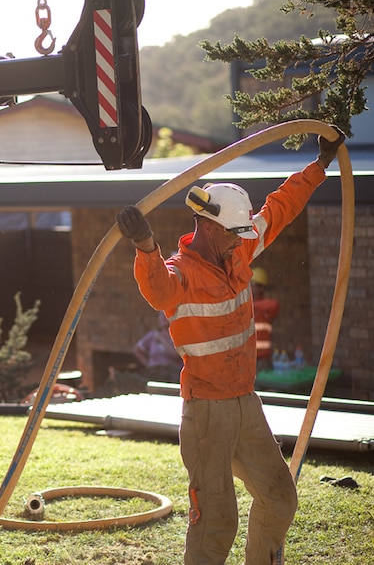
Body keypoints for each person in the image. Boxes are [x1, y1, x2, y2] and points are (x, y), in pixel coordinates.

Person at [115, 126, 345, 565]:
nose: (240, 240)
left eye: (242, 233)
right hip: (206, 414)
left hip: (245, 403)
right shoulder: (180, 273)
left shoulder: (238, 249)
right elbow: (159, 291)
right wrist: (145, 245)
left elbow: (279, 209)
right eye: (231, 234)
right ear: (204, 224)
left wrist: (320, 165)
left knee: (279, 498)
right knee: (217, 521)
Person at [133, 311, 183, 382]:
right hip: (154, 377)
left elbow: (175, 354)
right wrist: (149, 366)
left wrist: (161, 340)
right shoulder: (153, 336)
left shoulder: (178, 336)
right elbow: (137, 350)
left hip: (173, 379)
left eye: (165, 315)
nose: (162, 318)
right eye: (161, 316)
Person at [251, 267, 280, 371]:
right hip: (247, 359)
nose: (249, 287)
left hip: (262, 360)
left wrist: (251, 306)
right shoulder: (246, 306)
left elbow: (275, 305)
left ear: (261, 288)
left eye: (253, 285)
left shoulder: (265, 307)